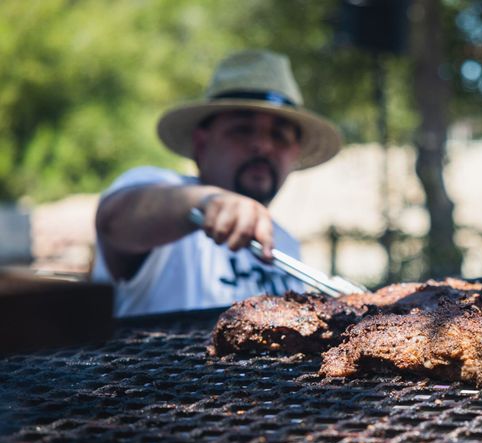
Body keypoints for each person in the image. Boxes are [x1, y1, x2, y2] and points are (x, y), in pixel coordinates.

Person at [91, 50, 342, 317]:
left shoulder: (287, 245)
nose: (263, 145)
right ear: (202, 144)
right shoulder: (163, 190)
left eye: (279, 135)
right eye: (242, 129)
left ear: (294, 154)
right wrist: (208, 202)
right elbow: (115, 221)